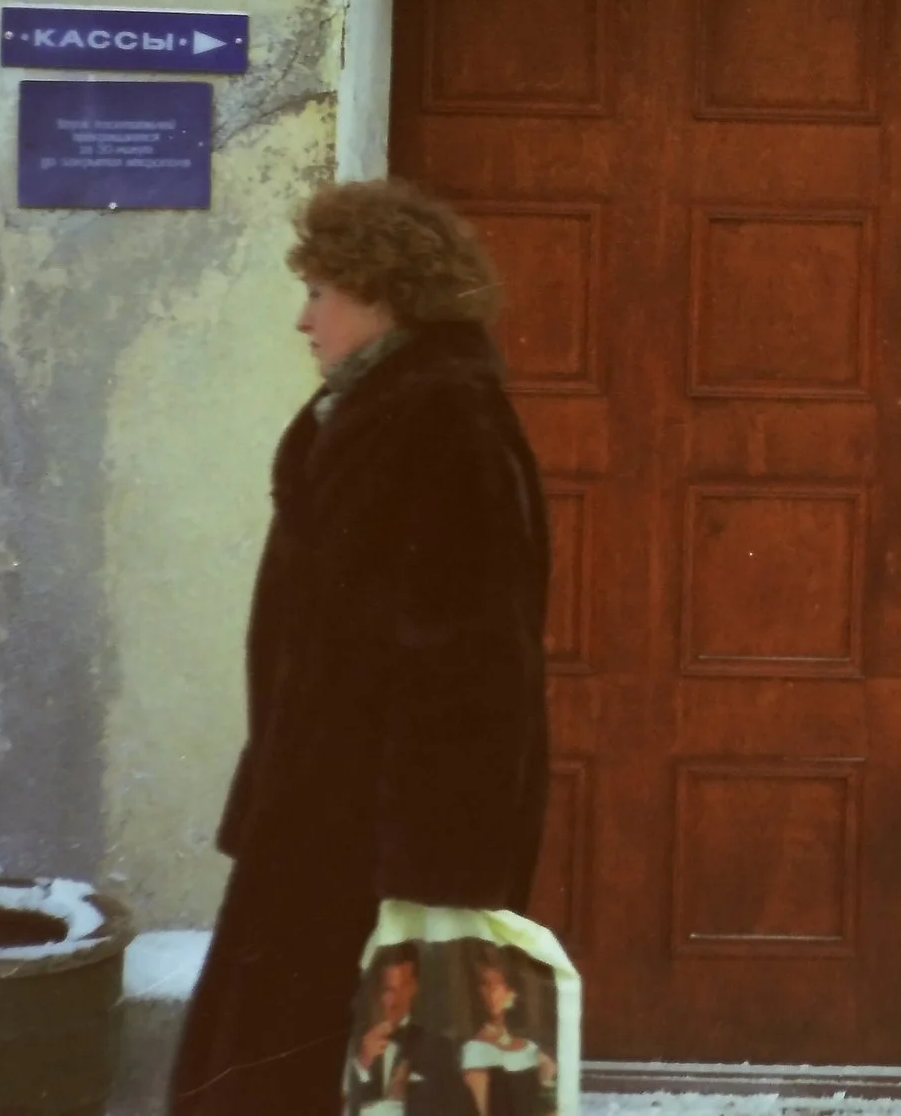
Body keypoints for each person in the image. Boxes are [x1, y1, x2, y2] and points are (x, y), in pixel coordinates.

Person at [171, 179, 552, 1115]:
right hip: (319, 820)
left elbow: (478, 669)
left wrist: (437, 874)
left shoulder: (442, 424)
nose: (304, 320)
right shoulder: (373, 410)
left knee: (329, 1076)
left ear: (382, 293)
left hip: (378, 847)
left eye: (319, 294)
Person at [346, 946, 473, 1116]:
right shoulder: (358, 1047)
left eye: (403, 986)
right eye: (389, 989)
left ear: (415, 987)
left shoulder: (438, 1048)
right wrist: (363, 1064)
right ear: (377, 991)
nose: (396, 1000)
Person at [459, 946, 559, 1116]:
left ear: (512, 992)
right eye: (484, 984)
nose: (490, 992)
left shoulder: (531, 1048)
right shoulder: (475, 1050)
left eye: (498, 984)